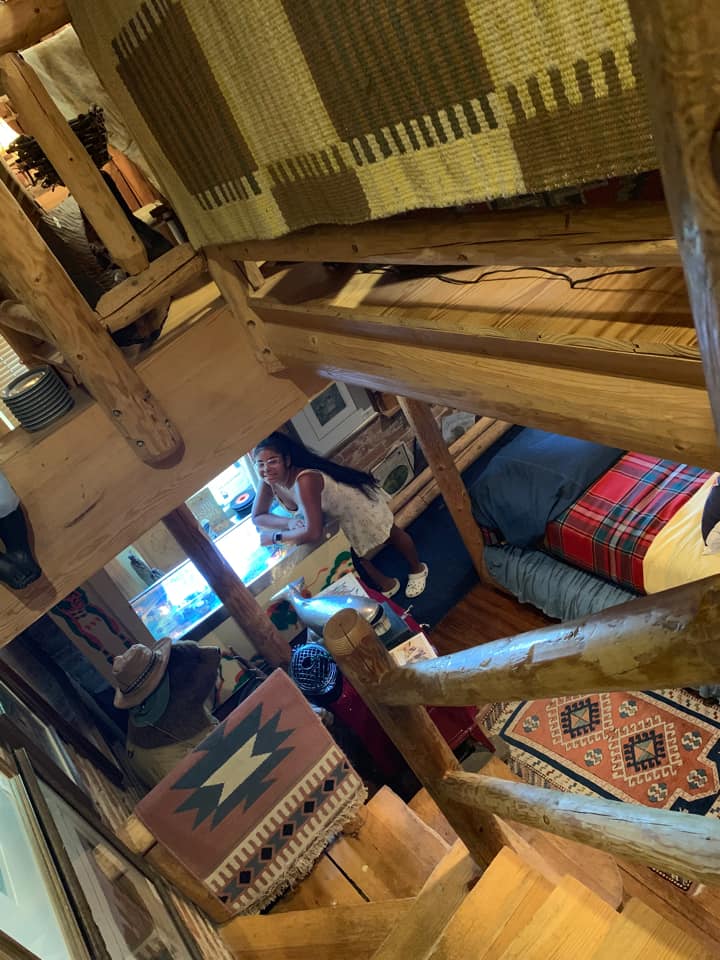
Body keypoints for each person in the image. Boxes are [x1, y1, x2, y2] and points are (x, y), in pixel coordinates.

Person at [252, 432, 428, 598]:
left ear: (287, 460)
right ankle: (388, 585)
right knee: (353, 552)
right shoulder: (268, 482)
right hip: (331, 514)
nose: (266, 469)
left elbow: (313, 532)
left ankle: (418, 568)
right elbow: (258, 516)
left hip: (353, 506)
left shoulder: (305, 480)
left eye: (272, 461)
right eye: (260, 464)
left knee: (390, 533)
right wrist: (289, 524)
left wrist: (276, 537)